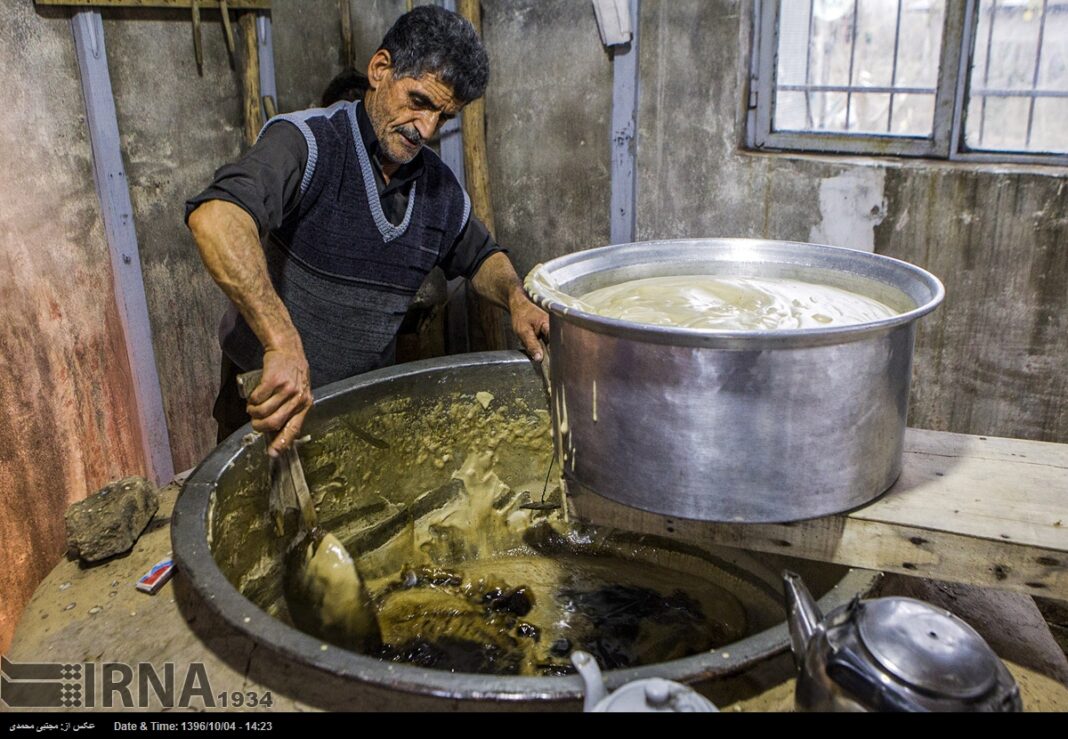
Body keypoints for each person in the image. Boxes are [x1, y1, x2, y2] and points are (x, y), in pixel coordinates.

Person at [186, 6, 548, 457]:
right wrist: (280, 340)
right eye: (419, 101)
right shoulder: (308, 141)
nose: (426, 129)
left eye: (443, 117)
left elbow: (480, 257)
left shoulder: (438, 189)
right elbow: (217, 217)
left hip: (361, 404)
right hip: (267, 396)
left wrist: (515, 297)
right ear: (380, 69)